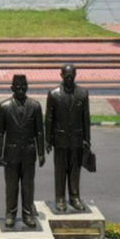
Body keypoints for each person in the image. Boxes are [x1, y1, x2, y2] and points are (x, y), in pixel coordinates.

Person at [0, 74, 45, 229]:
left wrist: (41, 153)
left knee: (28, 185)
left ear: (27, 87)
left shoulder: (35, 106)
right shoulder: (4, 107)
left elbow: (39, 132)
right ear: (12, 88)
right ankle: (10, 213)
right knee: (11, 186)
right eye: (18, 87)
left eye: (24, 87)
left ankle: (28, 213)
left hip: (29, 153)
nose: (21, 90)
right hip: (11, 153)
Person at [45, 64, 92, 212]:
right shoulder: (53, 94)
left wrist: (87, 139)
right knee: (60, 170)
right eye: (66, 76)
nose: (69, 78)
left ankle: (74, 197)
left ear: (76, 75)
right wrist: (48, 139)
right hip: (60, 139)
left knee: (75, 170)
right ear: (61, 76)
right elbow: (49, 119)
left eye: (72, 75)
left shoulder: (83, 94)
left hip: (77, 139)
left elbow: (86, 118)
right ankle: (60, 198)